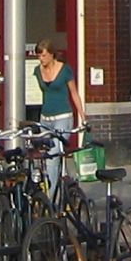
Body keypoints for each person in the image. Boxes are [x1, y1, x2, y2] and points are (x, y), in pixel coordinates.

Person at [34, 37, 84, 191]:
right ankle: (69, 184)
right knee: (46, 156)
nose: (40, 59)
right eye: (38, 56)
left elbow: (74, 93)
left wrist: (82, 116)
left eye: (43, 55)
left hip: (63, 117)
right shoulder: (38, 71)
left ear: (51, 55)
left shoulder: (65, 70)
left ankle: (51, 199)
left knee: (53, 156)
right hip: (45, 119)